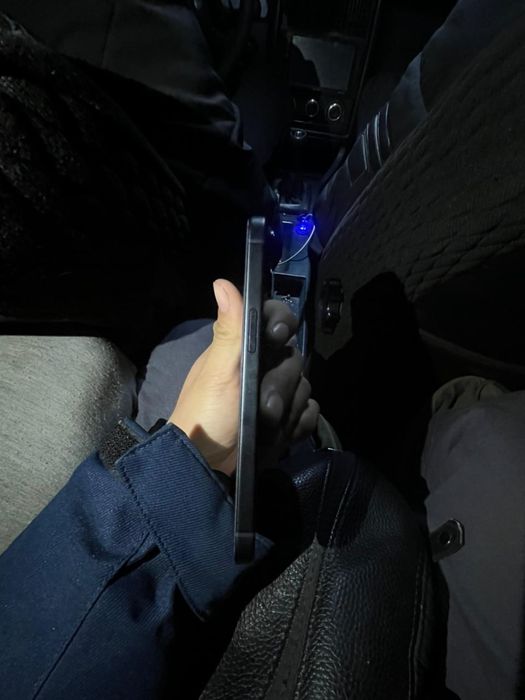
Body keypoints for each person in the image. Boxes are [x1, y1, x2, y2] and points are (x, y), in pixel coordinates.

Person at [0, 279, 320, 699]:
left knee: (189, 347)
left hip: (125, 508)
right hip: (145, 544)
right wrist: (193, 467)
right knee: (191, 343)